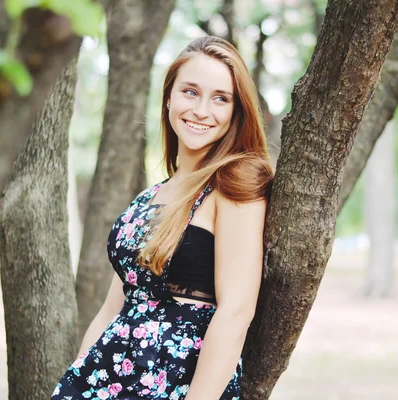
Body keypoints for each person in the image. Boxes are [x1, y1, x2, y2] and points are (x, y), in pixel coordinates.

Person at [52, 35, 274, 400]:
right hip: (103, 380)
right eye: (190, 91)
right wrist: (80, 373)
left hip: (176, 384)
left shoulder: (235, 182)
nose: (202, 110)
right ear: (169, 97)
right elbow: (114, 305)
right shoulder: (149, 196)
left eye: (221, 98)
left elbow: (235, 312)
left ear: (236, 112)